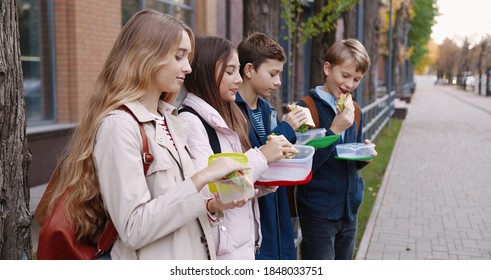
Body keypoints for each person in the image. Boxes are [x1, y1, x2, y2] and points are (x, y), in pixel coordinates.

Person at [40, 9, 251, 260]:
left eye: (188, 57)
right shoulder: (119, 126)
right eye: (179, 56)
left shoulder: (168, 120)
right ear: (147, 56)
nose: (188, 68)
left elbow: (172, 208)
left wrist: (211, 205)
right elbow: (133, 228)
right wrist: (203, 178)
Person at [178, 35, 297, 260]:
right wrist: (262, 156)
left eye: (238, 71)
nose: (238, 80)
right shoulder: (191, 121)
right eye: (230, 71)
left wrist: (268, 181)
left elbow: (237, 185)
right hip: (223, 249)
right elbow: (209, 192)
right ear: (206, 72)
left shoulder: (227, 115)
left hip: (243, 244)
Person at [295, 38, 377, 260]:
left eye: (357, 79)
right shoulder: (306, 109)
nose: (350, 84)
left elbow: (350, 154)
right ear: (328, 68)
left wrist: (364, 153)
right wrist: (334, 130)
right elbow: (306, 165)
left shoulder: (354, 109)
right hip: (318, 212)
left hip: (349, 210)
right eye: (345, 76)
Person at [235, 32, 309, 260]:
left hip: (277, 208)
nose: (278, 82)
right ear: (249, 70)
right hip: (253, 212)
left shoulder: (268, 111)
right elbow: (255, 157)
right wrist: (287, 129)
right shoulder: (233, 113)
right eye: (273, 74)